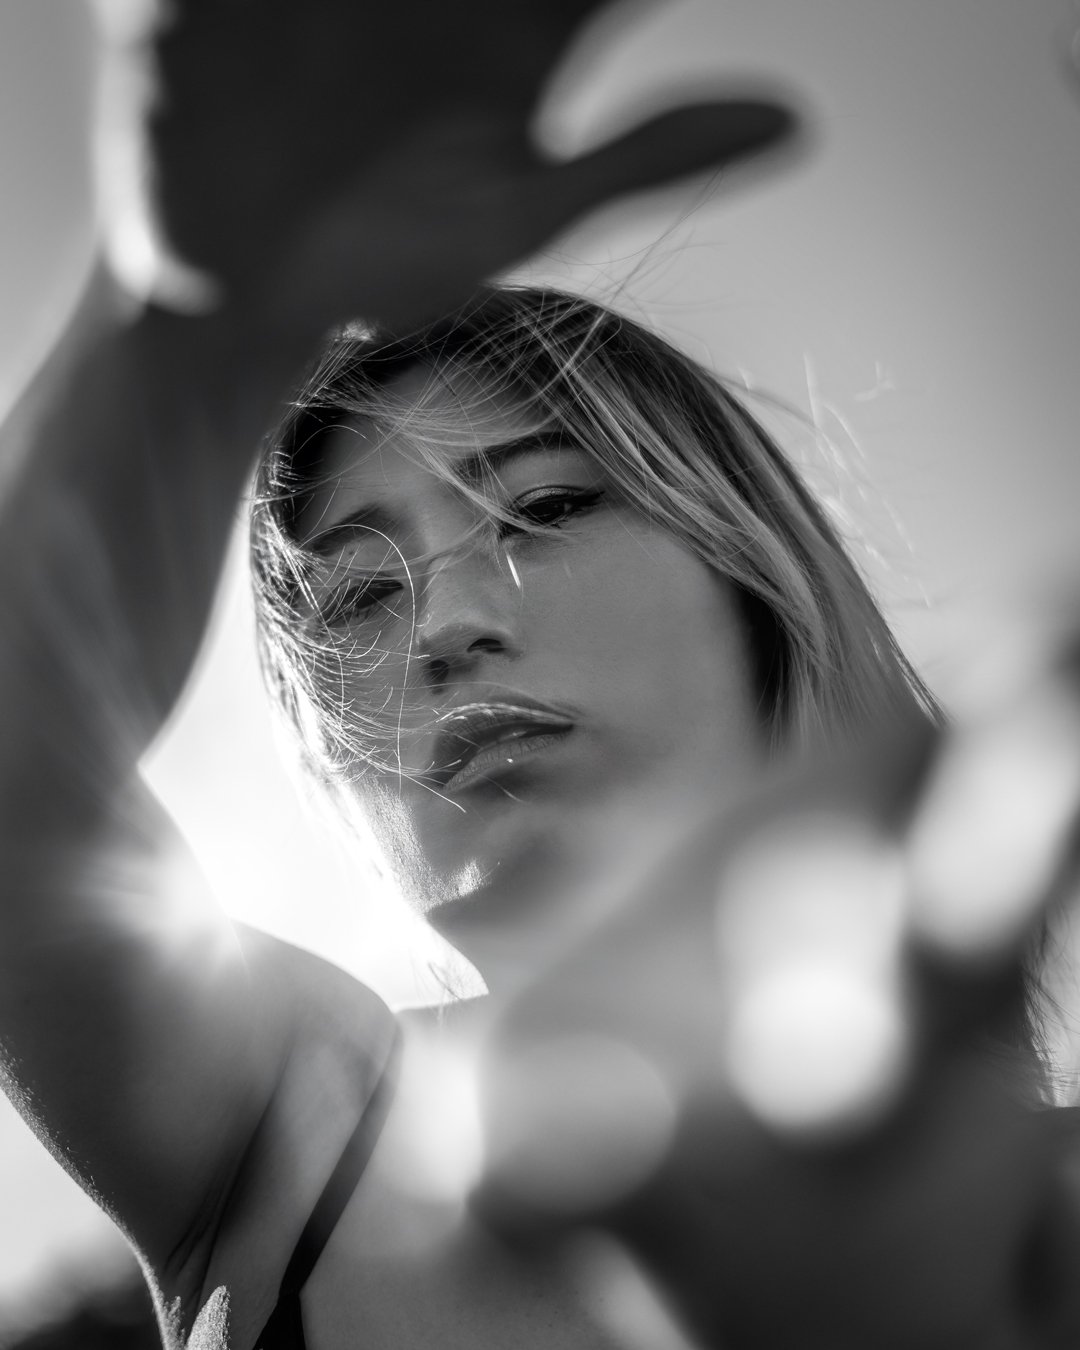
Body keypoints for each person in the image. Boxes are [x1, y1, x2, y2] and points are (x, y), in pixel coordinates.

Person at [1, 2, 1078, 1349]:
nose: (444, 622)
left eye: (545, 510)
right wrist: (184, 340)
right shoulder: (290, 1118)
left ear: (757, 587)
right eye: (360, 594)